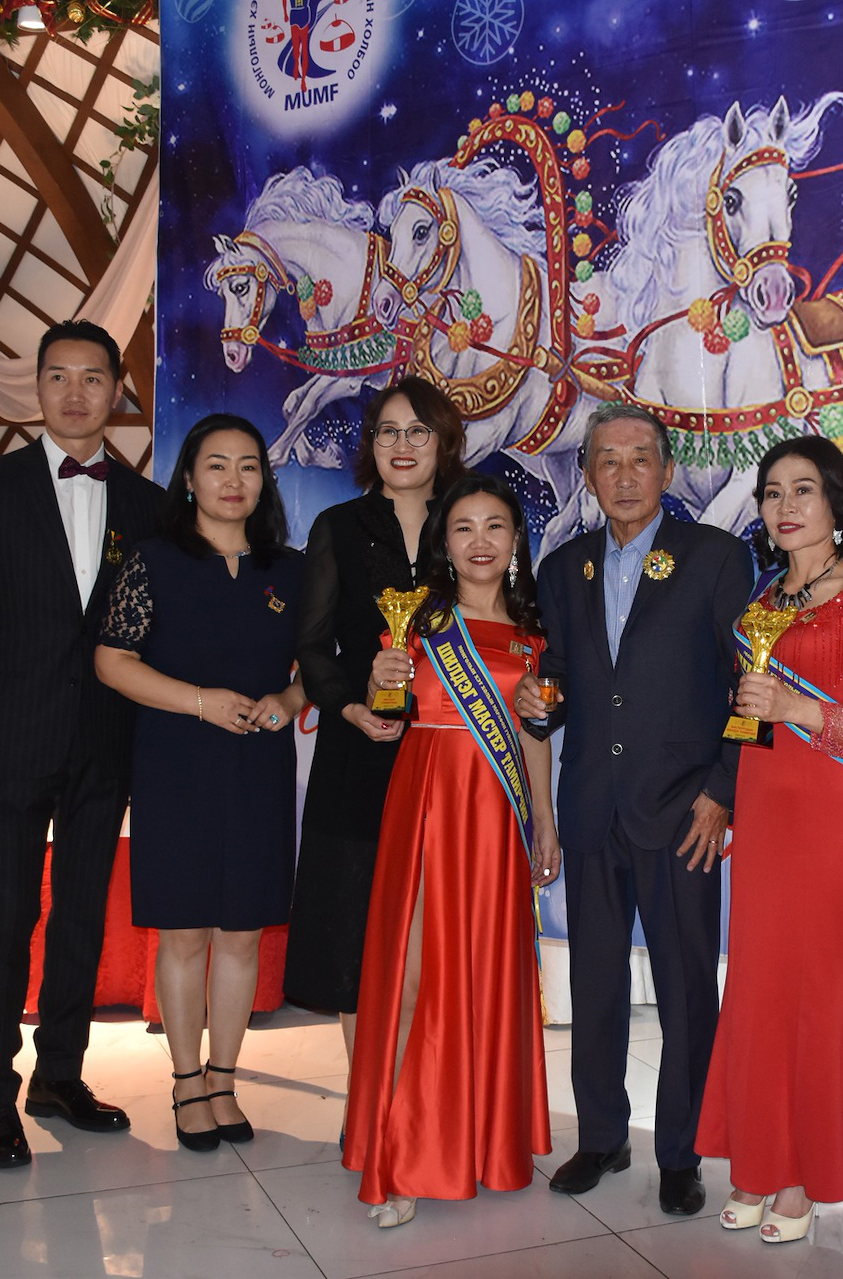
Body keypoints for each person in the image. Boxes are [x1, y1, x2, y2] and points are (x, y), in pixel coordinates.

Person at [0, 319, 164, 1168]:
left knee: (82, 914)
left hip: (105, 743)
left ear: (116, 391)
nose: (74, 393)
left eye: (92, 378)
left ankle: (60, 1073)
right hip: (8, 744)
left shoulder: (147, 505)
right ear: (37, 387)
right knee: (6, 916)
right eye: (58, 376)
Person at [516, 403, 753, 1217]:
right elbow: (561, 678)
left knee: (686, 988)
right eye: (607, 461)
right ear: (587, 474)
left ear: (667, 469)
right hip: (591, 807)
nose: (623, 476)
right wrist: (538, 700)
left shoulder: (715, 557)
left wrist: (722, 790)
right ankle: (602, 1137)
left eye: (639, 459)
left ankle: (681, 1152)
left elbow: (748, 685)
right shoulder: (563, 568)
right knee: (595, 983)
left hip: (685, 811)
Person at [695, 437, 843, 1243]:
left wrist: (795, 707)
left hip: (830, 819)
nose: (785, 506)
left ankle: (802, 1179)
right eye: (772, 491)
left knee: (815, 999)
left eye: (803, 489)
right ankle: (758, 1160)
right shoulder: (764, 597)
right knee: (756, 992)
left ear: (835, 504)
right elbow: (748, 715)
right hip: (765, 811)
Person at [342, 472, 560, 1225]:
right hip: (428, 806)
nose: (480, 541)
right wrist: (380, 681)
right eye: (463, 527)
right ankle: (398, 1152)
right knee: (413, 976)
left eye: (495, 526)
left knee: (481, 975)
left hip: (497, 817)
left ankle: (474, 1137)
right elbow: (386, 716)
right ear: (444, 541)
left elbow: (533, 738)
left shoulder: (532, 637)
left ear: (516, 539)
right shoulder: (417, 623)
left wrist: (544, 822)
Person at [93, 414, 304, 1151]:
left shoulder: (291, 568)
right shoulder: (153, 561)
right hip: (175, 762)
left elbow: (319, 666)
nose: (232, 480)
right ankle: (186, 1083)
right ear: (188, 478)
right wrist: (199, 701)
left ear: (263, 481)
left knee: (242, 934)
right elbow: (112, 661)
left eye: (248, 466)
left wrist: (289, 700)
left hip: (259, 767)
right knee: (183, 933)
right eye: (217, 465)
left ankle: (224, 1078)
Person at [284, 377, 467, 1071]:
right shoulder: (337, 527)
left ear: (444, 442)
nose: (402, 444)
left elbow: (510, 632)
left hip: (452, 752)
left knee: (437, 930)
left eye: (418, 430)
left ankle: (424, 1094)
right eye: (388, 431)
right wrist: (350, 703)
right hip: (358, 752)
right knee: (357, 930)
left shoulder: (475, 521)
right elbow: (311, 646)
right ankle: (368, 1098)